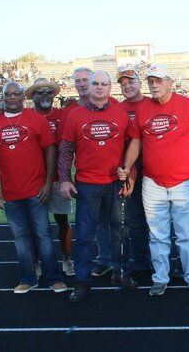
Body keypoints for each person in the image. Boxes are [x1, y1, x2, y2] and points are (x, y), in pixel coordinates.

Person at [119, 64, 189, 296]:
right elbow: (136, 143)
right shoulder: (143, 109)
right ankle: (160, 278)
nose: (154, 85)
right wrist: (127, 167)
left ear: (170, 82)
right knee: (157, 234)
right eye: (151, 81)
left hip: (183, 182)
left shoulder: (186, 105)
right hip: (153, 183)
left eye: (159, 80)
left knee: (186, 233)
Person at [58, 71, 134, 302]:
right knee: (84, 236)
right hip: (87, 184)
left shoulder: (121, 115)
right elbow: (65, 150)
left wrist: (130, 174)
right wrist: (65, 179)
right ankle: (82, 281)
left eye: (104, 84)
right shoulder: (75, 115)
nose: (99, 88)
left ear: (111, 88)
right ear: (88, 87)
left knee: (120, 231)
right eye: (95, 84)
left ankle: (121, 273)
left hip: (114, 183)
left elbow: (132, 149)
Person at [0, 82, 66, 294]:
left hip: (36, 189)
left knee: (43, 234)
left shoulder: (37, 120)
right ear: (3, 97)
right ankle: (28, 278)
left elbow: (50, 150)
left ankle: (53, 277)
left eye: (16, 94)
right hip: (11, 192)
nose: (12, 97)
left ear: (23, 97)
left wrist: (48, 183)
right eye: (8, 94)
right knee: (20, 237)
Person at [25, 78, 75, 277]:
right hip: (34, 179)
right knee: (37, 225)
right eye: (40, 92)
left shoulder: (64, 115)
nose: (45, 95)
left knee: (63, 221)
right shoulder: (26, 116)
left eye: (48, 92)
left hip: (58, 178)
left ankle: (67, 259)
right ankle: (37, 262)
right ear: (33, 96)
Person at [114, 68, 153, 279]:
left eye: (131, 82)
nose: (127, 86)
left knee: (157, 220)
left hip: (153, 170)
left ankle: (159, 260)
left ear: (140, 83)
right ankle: (141, 262)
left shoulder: (150, 104)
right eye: (123, 83)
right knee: (135, 220)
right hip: (128, 171)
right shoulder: (116, 108)